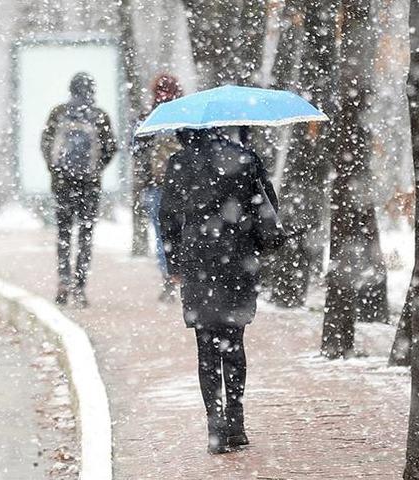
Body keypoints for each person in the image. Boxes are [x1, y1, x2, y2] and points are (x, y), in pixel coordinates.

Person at [159, 128, 279, 454]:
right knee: (234, 342)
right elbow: (268, 206)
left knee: (206, 346)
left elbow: (167, 216)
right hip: (239, 261)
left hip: (198, 261)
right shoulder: (244, 157)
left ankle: (215, 425)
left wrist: (174, 266)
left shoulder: (179, 162)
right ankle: (237, 422)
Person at [41, 72, 117, 308]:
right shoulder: (99, 116)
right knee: (85, 234)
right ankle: (80, 287)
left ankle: (63, 282)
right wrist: (95, 169)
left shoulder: (58, 113)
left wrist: (56, 171)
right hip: (89, 186)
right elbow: (111, 147)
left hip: (63, 184)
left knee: (64, 234)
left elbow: (45, 143)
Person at [133, 74, 185, 302]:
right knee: (185, 232)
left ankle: (169, 278)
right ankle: (186, 276)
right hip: (184, 186)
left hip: (156, 186)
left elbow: (135, 149)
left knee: (162, 234)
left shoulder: (148, 119)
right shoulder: (185, 117)